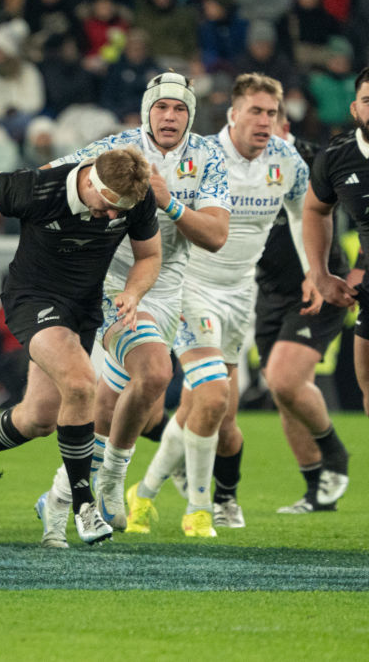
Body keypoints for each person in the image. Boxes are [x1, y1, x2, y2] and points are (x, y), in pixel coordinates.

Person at [0, 72, 230, 549]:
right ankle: (94, 498)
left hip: (126, 293)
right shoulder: (63, 178)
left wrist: (159, 221)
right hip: (53, 293)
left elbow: (182, 246)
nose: (170, 116)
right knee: (105, 380)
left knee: (40, 416)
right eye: (161, 107)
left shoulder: (175, 173)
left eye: (180, 108)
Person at [0, 145, 162, 546]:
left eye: (118, 212)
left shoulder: (134, 199)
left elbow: (149, 255)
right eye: (106, 206)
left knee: (38, 418)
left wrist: (134, 292)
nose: (110, 217)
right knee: (82, 383)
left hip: (82, 307)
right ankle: (84, 505)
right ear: (90, 180)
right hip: (32, 298)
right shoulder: (40, 188)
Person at [127, 73, 310, 537]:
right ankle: (201, 507)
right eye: (255, 111)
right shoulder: (203, 155)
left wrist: (314, 272)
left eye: (272, 113)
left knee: (209, 409)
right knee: (211, 397)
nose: (265, 121)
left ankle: (143, 495)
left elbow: (304, 212)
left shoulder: (288, 161)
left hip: (239, 294)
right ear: (233, 113)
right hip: (190, 285)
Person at [260, 105, 351, 514]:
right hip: (266, 294)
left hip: (323, 289)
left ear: (285, 125)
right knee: (286, 395)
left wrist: (323, 271)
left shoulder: (317, 159)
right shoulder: (233, 168)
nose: (262, 130)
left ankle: (335, 456)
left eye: (269, 119)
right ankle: (317, 492)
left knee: (283, 379)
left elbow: (342, 217)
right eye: (251, 119)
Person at [304, 66, 369, 418]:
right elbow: (315, 211)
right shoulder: (336, 158)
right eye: (368, 101)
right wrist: (320, 273)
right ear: (354, 110)